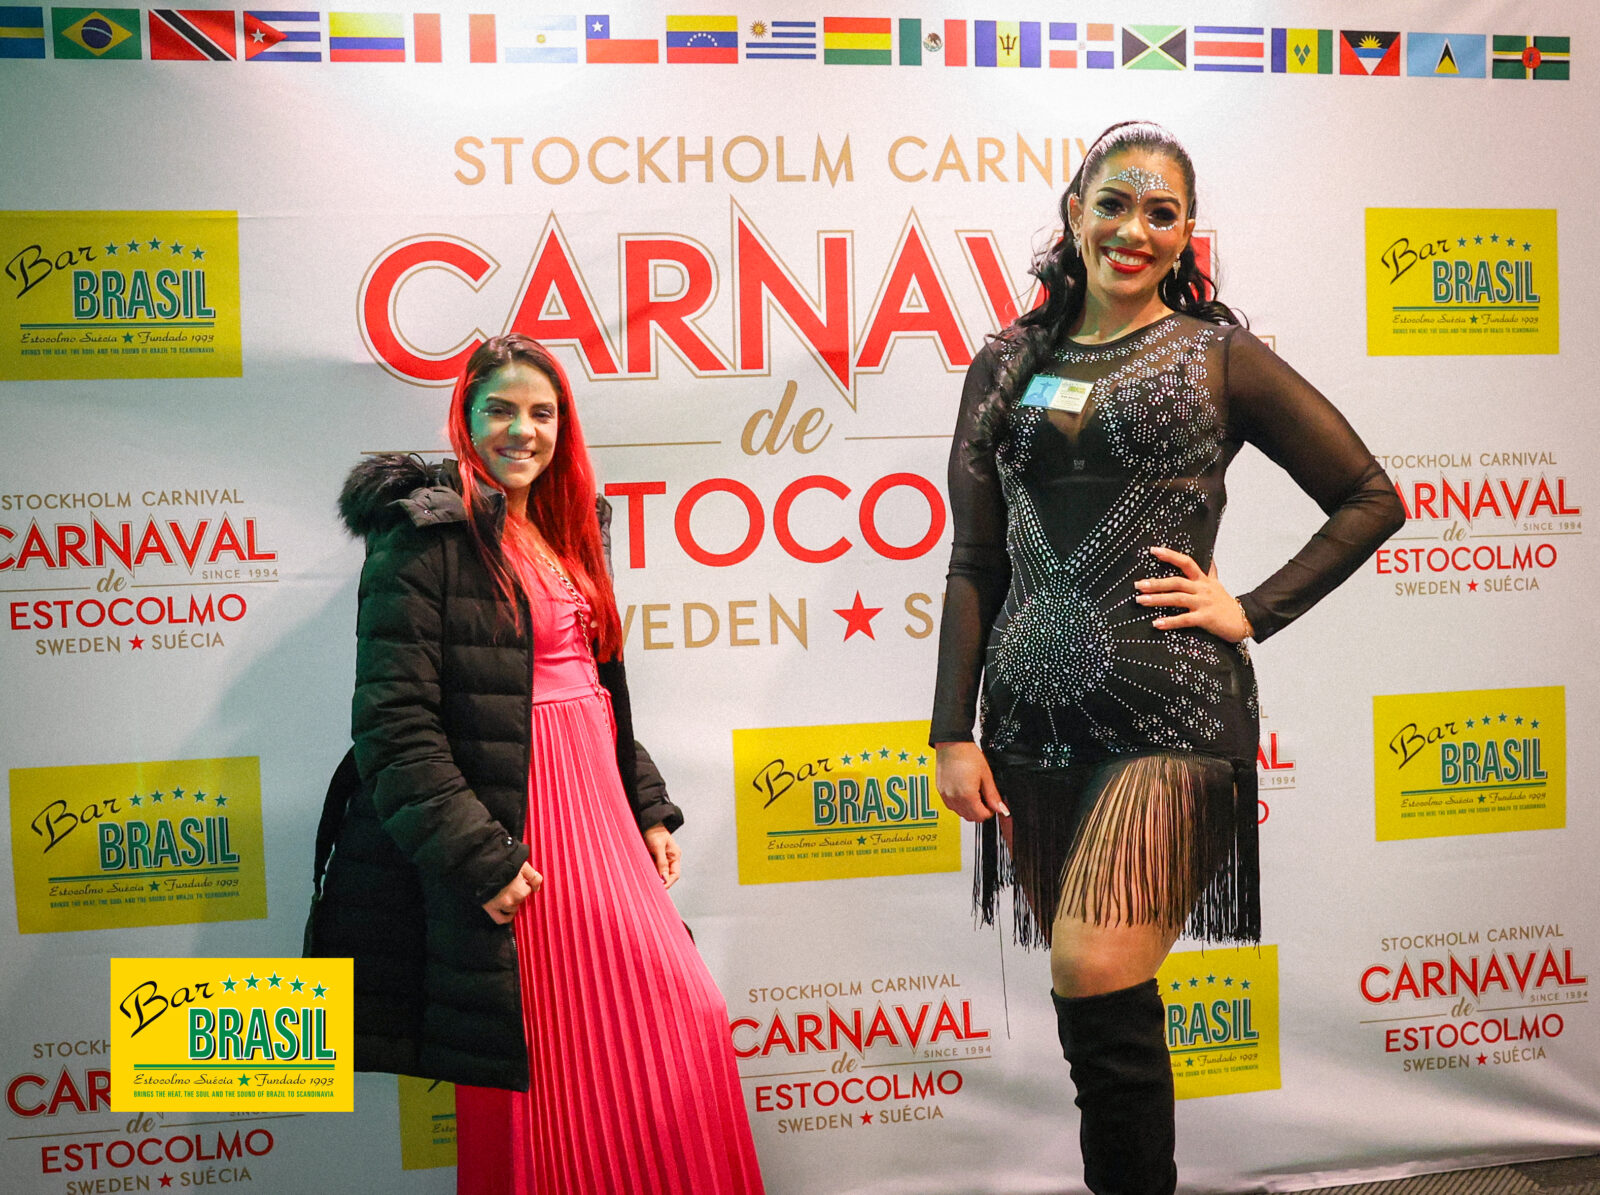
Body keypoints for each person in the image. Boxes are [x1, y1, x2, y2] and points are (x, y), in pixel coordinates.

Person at [929, 121, 1405, 1194]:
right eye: (1113, 204)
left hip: (1174, 717)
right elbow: (974, 560)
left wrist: (1254, 609)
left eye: (1160, 212)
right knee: (1101, 1013)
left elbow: (1370, 497)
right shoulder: (1007, 362)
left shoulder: (1218, 357)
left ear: (1189, 233)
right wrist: (951, 730)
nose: (1132, 229)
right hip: (1031, 725)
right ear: (1074, 214)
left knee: (1092, 965)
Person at [306, 334, 765, 1194]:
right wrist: (480, 859)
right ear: (466, 417)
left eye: (543, 412)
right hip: (518, 837)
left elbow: (596, 690)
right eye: (503, 410)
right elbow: (393, 729)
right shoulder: (422, 537)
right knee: (538, 1070)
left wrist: (646, 805)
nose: (524, 430)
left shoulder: (565, 529)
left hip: (598, 821)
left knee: (685, 1019)